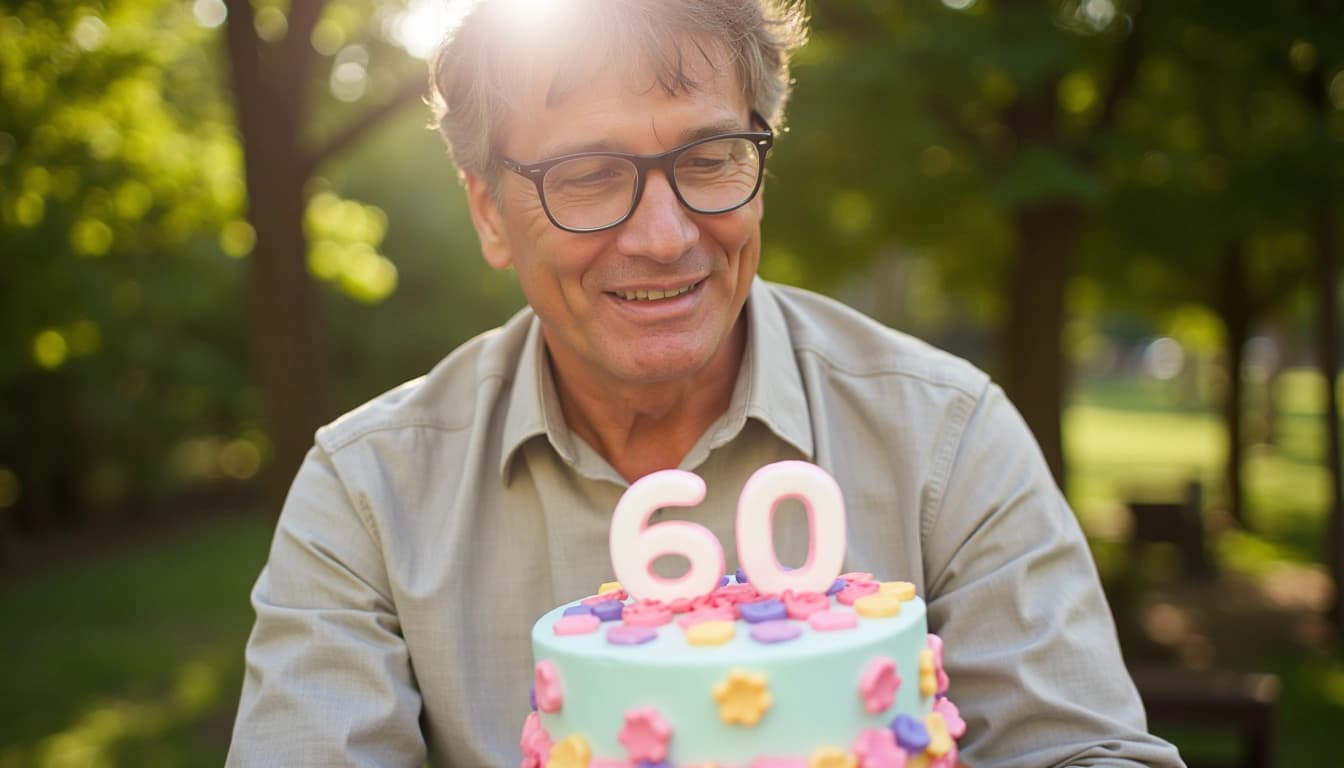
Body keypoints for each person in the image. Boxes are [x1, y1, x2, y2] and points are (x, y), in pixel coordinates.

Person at [226, 1, 1185, 766]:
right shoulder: (365, 496)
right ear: (488, 212)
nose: (665, 235)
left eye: (709, 157)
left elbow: (1087, 751)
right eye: (591, 175)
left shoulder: (948, 436)